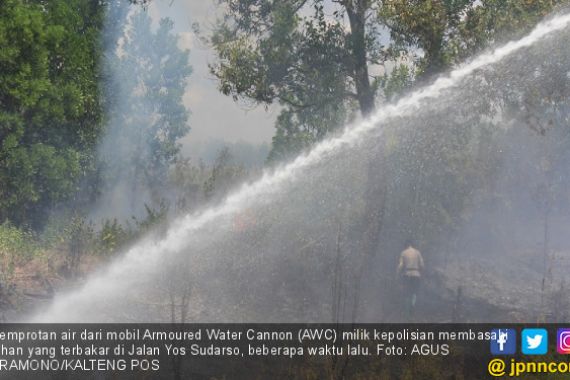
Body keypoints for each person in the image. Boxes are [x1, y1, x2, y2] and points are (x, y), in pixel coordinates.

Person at [397, 240, 424, 316]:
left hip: (407, 274)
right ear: (412, 244)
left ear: (406, 244)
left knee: (406, 292)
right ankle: (412, 305)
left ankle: (406, 309)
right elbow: (422, 265)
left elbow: (401, 265)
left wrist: (397, 273)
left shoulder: (404, 252)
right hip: (416, 274)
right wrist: (421, 272)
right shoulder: (417, 252)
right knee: (414, 292)